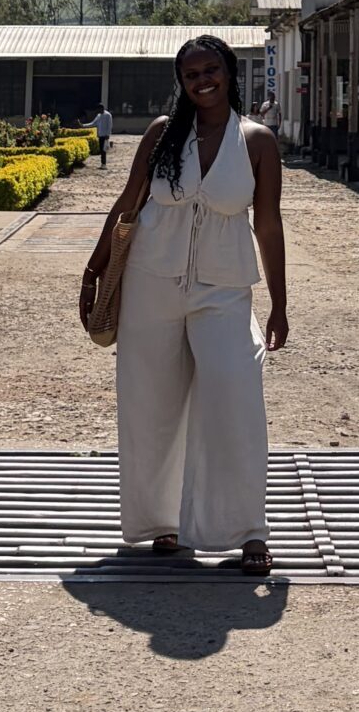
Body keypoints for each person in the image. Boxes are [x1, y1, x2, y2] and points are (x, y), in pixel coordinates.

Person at [80, 35, 286, 575]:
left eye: (210, 69)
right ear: (182, 81)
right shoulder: (163, 135)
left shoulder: (258, 141)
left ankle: (249, 532)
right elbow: (128, 204)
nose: (202, 81)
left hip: (224, 290)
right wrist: (96, 266)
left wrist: (279, 303)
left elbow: (268, 224)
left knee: (235, 401)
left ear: (228, 73)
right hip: (152, 283)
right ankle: (161, 522)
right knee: (151, 405)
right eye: (191, 74)